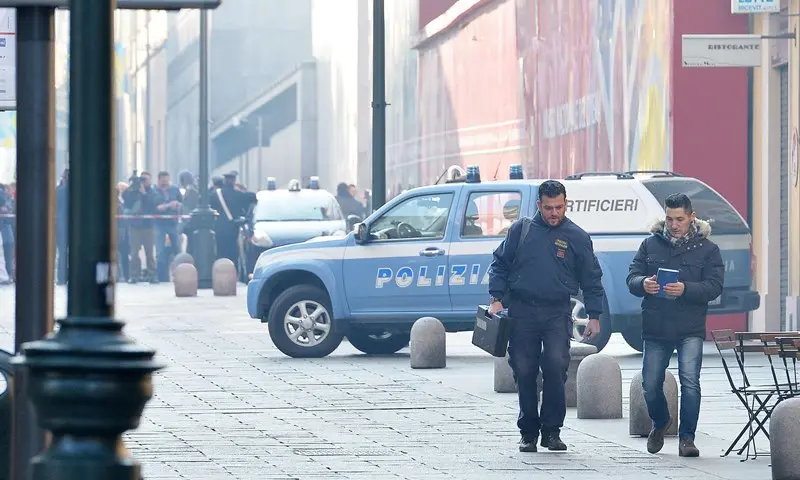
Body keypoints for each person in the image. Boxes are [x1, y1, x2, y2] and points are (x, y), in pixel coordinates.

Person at [488, 180, 604, 453]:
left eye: (559, 207)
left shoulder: (577, 236)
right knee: (525, 371)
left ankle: (552, 432)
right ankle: (528, 432)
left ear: (566, 204)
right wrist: (495, 298)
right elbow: (499, 264)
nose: (554, 213)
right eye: (549, 207)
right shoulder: (521, 230)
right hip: (522, 311)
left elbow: (592, 279)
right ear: (539, 205)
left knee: (555, 368)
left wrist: (595, 315)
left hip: (556, 312)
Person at [626, 193, 723, 458]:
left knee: (690, 383)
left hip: (689, 327)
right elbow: (631, 277)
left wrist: (686, 289)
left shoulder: (708, 249)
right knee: (650, 383)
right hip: (656, 327)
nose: (674, 224)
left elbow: (715, 286)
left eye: (679, 219)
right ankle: (660, 422)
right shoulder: (650, 245)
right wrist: (643, 283)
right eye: (669, 219)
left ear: (692, 217)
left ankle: (687, 439)